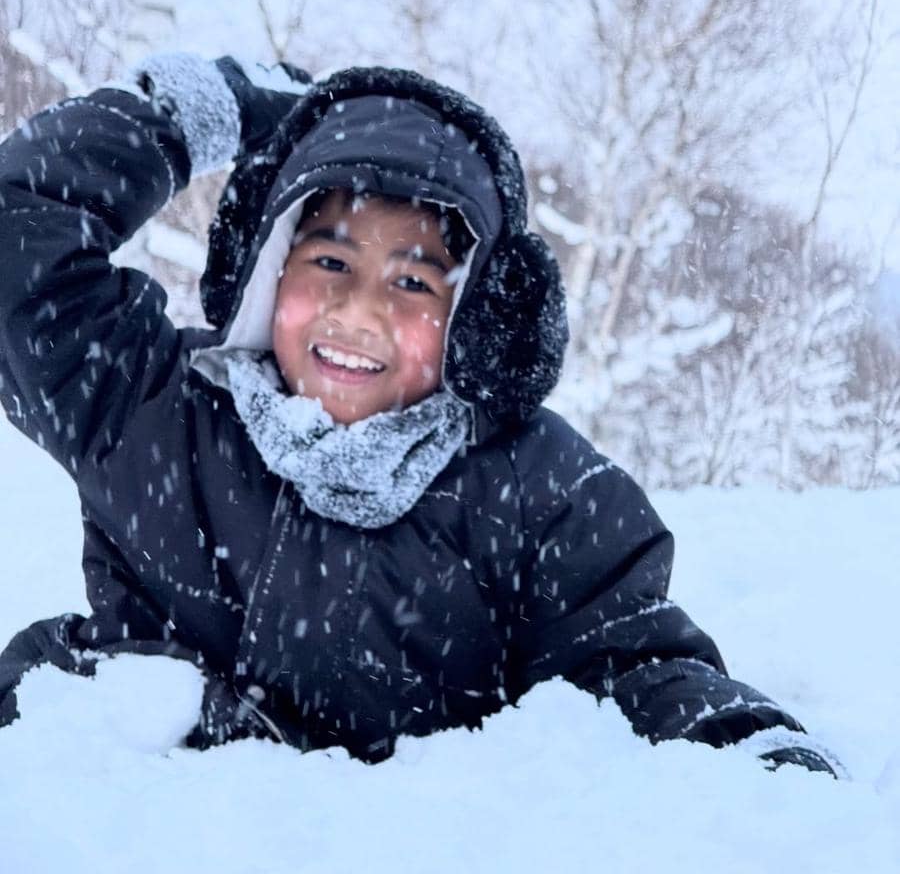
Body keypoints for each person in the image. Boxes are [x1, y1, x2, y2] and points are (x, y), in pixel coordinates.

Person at [0, 54, 840, 775]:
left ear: (473, 315)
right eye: (329, 258)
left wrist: (751, 764)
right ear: (266, 269)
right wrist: (199, 107)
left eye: (412, 282)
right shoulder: (151, 405)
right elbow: (16, 238)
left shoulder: (543, 491)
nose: (358, 312)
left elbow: (631, 673)